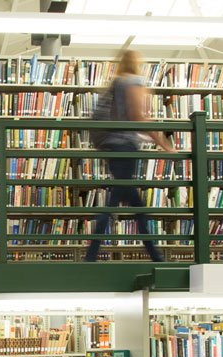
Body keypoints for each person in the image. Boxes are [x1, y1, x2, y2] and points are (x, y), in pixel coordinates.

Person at [86, 49, 175, 263]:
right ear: (138, 63)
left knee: (127, 200)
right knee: (125, 202)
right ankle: (155, 256)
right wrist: (164, 144)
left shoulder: (116, 83)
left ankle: (153, 255)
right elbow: (138, 117)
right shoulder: (133, 81)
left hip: (112, 145)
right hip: (124, 146)